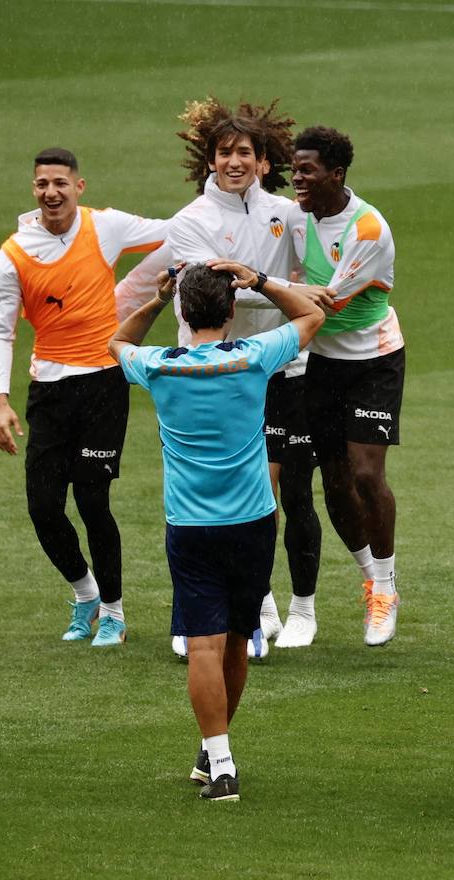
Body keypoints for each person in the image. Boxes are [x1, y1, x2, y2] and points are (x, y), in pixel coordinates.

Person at [109, 261, 327, 801]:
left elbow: (117, 340)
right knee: (237, 638)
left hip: (190, 526)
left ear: (184, 312)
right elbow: (311, 313)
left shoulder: (158, 365)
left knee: (204, 645)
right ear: (231, 312)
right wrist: (260, 280)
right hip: (253, 521)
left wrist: (156, 300)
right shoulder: (253, 358)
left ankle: (219, 758)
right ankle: (217, 750)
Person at [0, 147, 166, 646]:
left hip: (105, 382)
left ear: (79, 187)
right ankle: (85, 595)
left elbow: (175, 233)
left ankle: (113, 611)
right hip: (49, 389)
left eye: (61, 182)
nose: (51, 192)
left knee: (92, 500)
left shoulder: (105, 227)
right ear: (34, 189)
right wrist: (1, 399)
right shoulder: (14, 253)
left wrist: (145, 288)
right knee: (43, 506)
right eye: (43, 183)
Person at [165, 103, 325, 653]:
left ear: (263, 161)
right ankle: (222, 612)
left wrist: (292, 286)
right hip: (213, 367)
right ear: (209, 159)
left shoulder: (286, 211)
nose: (234, 162)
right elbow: (213, 292)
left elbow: (318, 266)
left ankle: (290, 607)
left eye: (245, 154)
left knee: (284, 491)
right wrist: (285, 289)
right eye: (225, 152)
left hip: (282, 366)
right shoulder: (189, 222)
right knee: (213, 491)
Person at [288, 126, 404, 646]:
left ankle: (386, 586)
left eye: (307, 170)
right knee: (333, 483)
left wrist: (256, 282)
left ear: (337, 174)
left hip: (374, 359)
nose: (298, 178)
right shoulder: (294, 218)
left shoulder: (368, 230)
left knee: (365, 473)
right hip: (323, 363)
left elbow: (325, 302)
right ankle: (369, 575)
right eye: (294, 169)